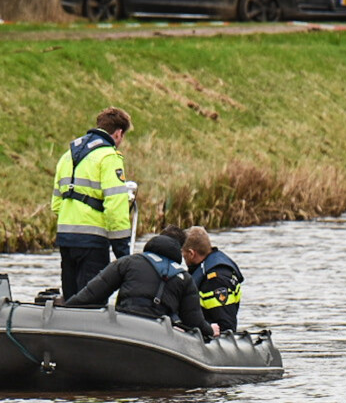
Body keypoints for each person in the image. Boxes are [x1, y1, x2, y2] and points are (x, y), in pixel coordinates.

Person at [51, 107, 134, 299]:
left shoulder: (67, 156)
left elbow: (56, 205)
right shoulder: (109, 157)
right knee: (91, 302)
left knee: (71, 299)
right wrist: (123, 252)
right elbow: (115, 206)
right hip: (93, 241)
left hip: (66, 238)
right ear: (119, 133)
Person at [63, 234, 214, 338]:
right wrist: (211, 330)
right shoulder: (185, 278)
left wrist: (63, 311)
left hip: (123, 323)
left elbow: (91, 295)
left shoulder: (127, 262)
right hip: (160, 335)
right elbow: (193, 321)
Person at [181, 226, 244, 333]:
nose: (182, 256)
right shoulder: (203, 270)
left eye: (183, 253)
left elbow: (226, 325)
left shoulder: (215, 280)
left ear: (191, 253)